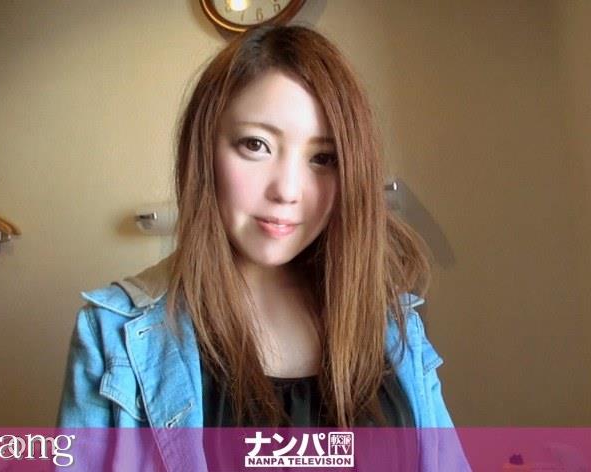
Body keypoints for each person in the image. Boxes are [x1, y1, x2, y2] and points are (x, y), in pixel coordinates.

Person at [58, 24, 469, 471]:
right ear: (204, 151)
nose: (287, 191)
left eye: (323, 158)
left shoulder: (396, 325)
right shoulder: (112, 336)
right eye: (256, 145)